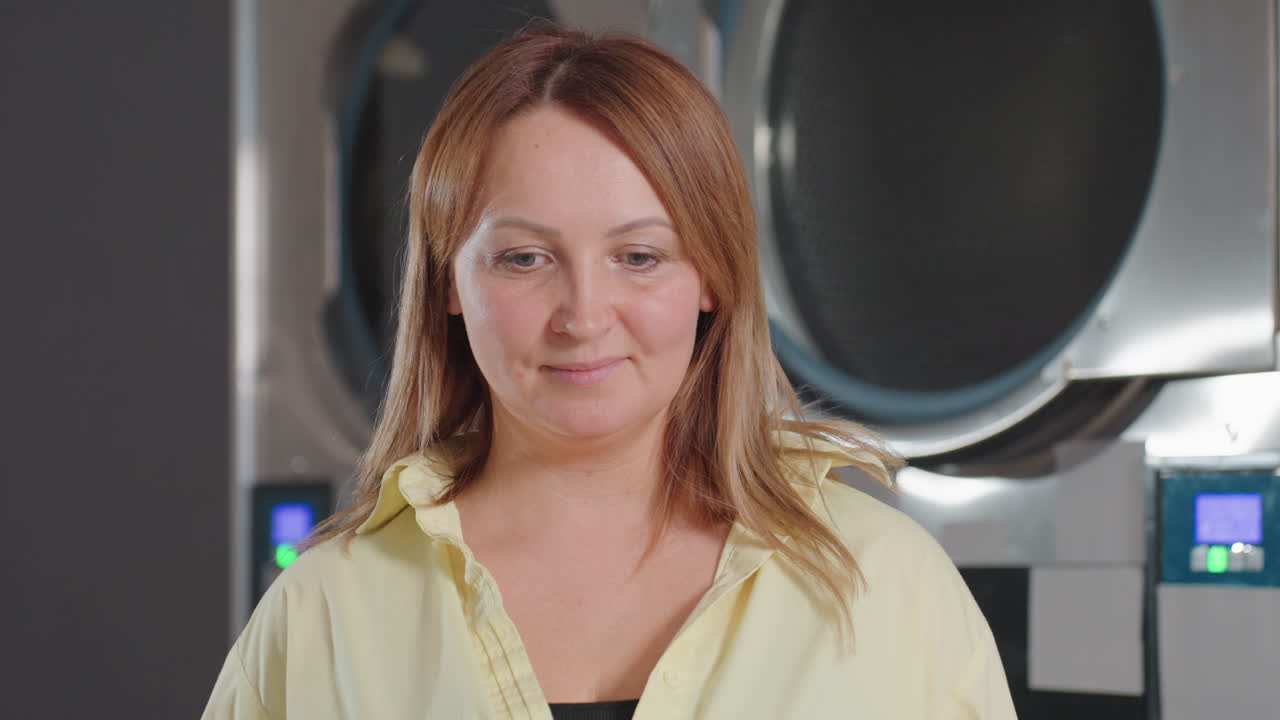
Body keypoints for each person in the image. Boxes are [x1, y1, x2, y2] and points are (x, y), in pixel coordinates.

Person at [202, 22, 1016, 720]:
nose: (584, 315)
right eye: (525, 258)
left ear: (711, 278)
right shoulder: (324, 613)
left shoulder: (884, 585)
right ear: (450, 283)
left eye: (638, 255)